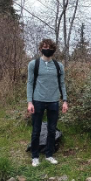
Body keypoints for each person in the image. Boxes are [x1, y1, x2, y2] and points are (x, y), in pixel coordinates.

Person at [27, 38, 68, 167]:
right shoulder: (34, 64)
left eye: (50, 47)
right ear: (40, 48)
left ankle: (49, 154)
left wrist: (65, 100)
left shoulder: (58, 66)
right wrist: (29, 102)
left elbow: (62, 84)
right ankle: (35, 156)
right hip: (37, 100)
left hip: (53, 101)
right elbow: (30, 83)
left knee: (51, 130)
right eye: (45, 46)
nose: (47, 49)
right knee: (36, 130)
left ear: (53, 50)